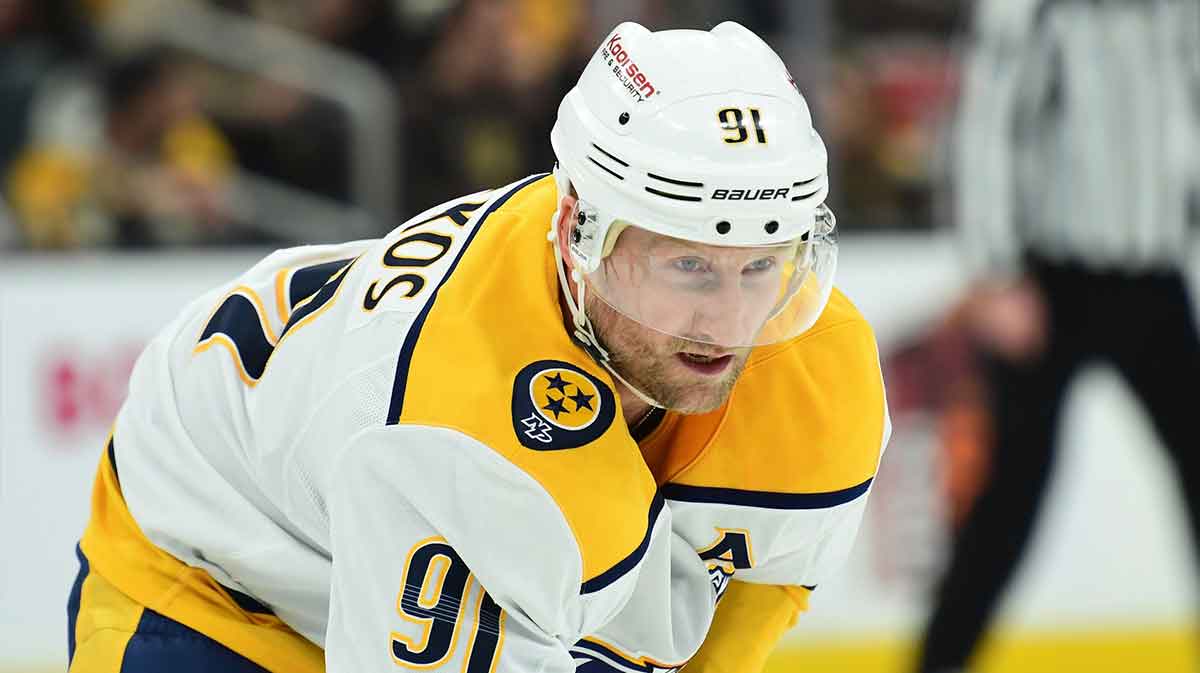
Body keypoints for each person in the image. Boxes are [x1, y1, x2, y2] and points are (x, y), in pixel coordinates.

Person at [67, 21, 890, 673]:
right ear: (579, 236)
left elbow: (767, 581)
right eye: (687, 266)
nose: (728, 324)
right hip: (212, 573)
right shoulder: (457, 418)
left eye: (760, 265)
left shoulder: (819, 371)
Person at [914, 1, 1200, 671]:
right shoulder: (1030, 9)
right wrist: (994, 271)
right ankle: (941, 662)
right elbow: (985, 122)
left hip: (1153, 270)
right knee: (1011, 495)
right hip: (1048, 280)